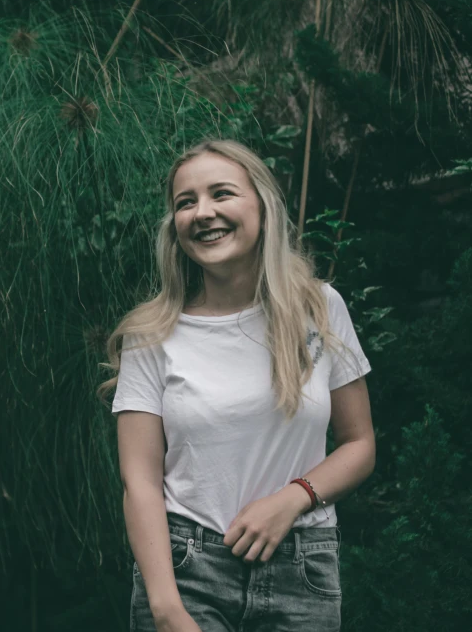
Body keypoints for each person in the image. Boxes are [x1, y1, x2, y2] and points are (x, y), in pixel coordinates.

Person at [102, 138, 375, 632]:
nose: (202, 212)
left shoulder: (320, 307)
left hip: (304, 569)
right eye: (186, 202)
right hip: (188, 572)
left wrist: (291, 498)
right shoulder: (150, 332)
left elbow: (359, 444)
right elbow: (139, 482)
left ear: (263, 207)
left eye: (221, 194)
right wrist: (166, 611)